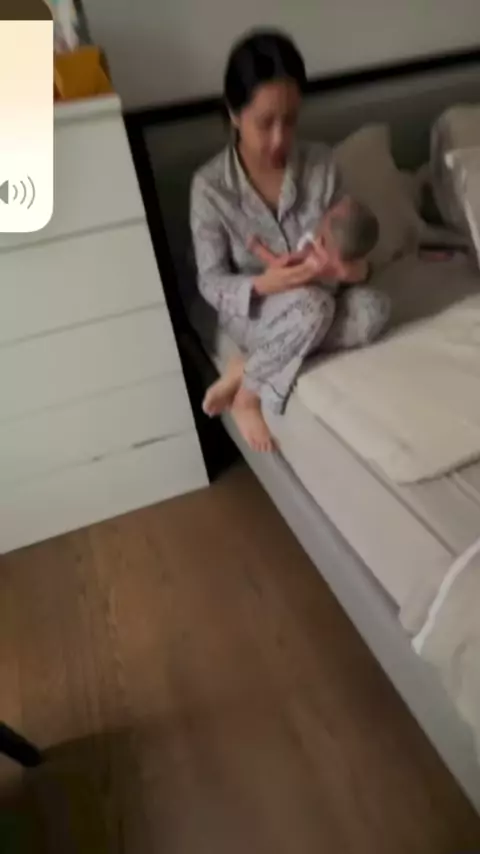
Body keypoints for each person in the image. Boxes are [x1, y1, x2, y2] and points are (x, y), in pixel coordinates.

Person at [190, 30, 390, 452]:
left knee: (374, 309)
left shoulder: (323, 166)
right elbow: (209, 281)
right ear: (234, 113)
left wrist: (352, 269)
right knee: (313, 307)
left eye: (291, 120)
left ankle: (249, 364)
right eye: (265, 123)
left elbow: (353, 246)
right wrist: (263, 284)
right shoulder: (210, 188)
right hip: (257, 311)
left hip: (321, 297)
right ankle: (248, 395)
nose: (280, 139)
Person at [249, 195, 380, 288]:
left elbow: (279, 264)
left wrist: (258, 249)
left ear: (321, 240)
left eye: (328, 214)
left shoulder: (311, 255)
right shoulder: (347, 266)